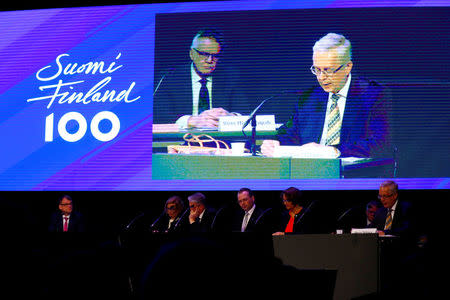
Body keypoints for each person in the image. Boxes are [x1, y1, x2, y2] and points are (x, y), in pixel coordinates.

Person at [261, 33, 391, 158]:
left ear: (347, 67)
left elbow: (381, 143)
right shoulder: (309, 98)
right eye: (317, 70)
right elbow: (289, 134)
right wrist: (274, 142)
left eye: (328, 70)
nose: (321, 77)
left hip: (353, 174)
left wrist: (334, 150)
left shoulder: (373, 95)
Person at [153, 28, 247, 129]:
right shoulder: (170, 78)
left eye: (215, 56)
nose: (210, 60)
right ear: (192, 54)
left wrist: (230, 118)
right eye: (204, 54)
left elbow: (244, 112)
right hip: (182, 139)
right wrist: (190, 121)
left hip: (220, 139)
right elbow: (160, 115)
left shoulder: (231, 76)